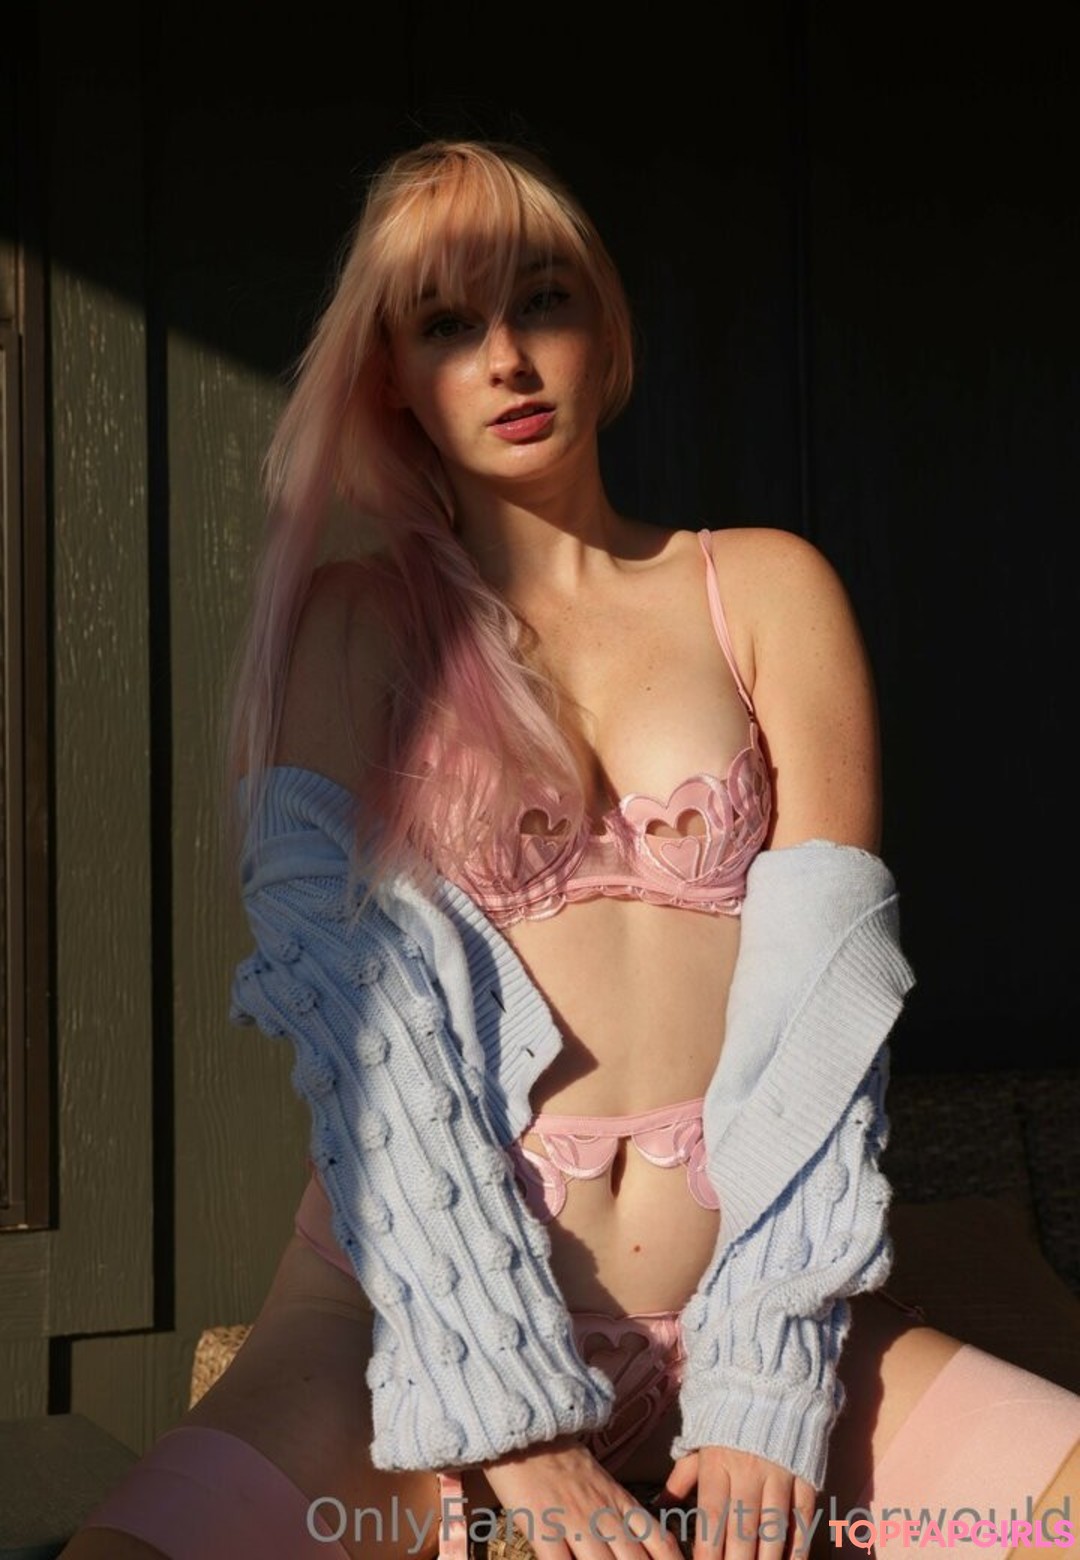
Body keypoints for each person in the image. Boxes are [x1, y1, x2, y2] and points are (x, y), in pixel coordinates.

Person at [64, 138, 1080, 1560]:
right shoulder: (359, 629)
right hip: (408, 1326)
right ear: (392, 377)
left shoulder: (763, 590)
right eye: (445, 324)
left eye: (540, 300)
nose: (506, 358)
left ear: (604, 329)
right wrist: (504, 1415)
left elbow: (825, 1007)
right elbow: (363, 1028)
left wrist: (768, 1375)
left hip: (747, 1306)